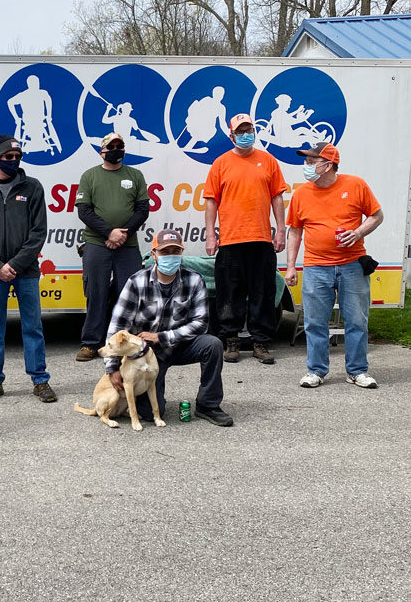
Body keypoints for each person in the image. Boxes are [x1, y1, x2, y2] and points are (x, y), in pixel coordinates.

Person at [103, 229, 234, 427]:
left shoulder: (194, 280)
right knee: (149, 413)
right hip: (148, 354)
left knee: (212, 344)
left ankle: (208, 405)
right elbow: (118, 326)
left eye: (175, 251)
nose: (170, 256)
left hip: (181, 345)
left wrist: (161, 337)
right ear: (154, 254)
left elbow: (201, 323)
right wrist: (112, 368)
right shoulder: (136, 282)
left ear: (181, 253)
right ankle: (139, 398)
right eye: (165, 252)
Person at [285, 142, 383, 389]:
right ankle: (316, 371)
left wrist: (358, 232)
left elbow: (377, 216)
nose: (306, 165)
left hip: (352, 264)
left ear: (327, 164)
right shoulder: (301, 193)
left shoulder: (355, 185)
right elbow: (295, 232)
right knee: (315, 322)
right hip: (316, 266)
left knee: (357, 320)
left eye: (311, 161)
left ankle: (357, 371)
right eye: (306, 160)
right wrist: (291, 266)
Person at [0, 135, 56, 404]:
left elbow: (38, 231)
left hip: (25, 270)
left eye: (17, 157)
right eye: (8, 157)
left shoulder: (33, 187)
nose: (14, 161)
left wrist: (15, 265)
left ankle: (40, 380)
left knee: (32, 326)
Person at [204, 113, 287, 365]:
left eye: (249, 129)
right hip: (230, 241)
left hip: (261, 239)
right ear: (231, 135)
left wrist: (281, 230)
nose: (245, 134)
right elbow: (211, 201)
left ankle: (260, 342)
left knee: (263, 292)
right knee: (229, 293)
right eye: (240, 131)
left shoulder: (268, 161)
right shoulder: (221, 163)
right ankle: (231, 340)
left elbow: (277, 198)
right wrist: (211, 234)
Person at [75, 132, 150, 362]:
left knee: (128, 295)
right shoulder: (90, 176)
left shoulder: (135, 175)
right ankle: (90, 343)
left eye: (120, 146)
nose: (116, 149)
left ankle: (127, 342)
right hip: (97, 243)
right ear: (102, 151)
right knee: (95, 292)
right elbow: (84, 211)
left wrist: (122, 233)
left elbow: (142, 209)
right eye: (112, 146)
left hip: (127, 245)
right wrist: (109, 233)